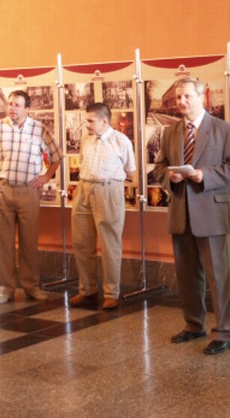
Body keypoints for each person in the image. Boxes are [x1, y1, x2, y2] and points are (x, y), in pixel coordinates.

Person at [154, 77, 230, 355]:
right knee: (187, 275)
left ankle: (224, 333)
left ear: (202, 96)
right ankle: (194, 325)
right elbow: (160, 166)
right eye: (178, 97)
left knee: (218, 277)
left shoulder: (224, 129)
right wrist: (169, 176)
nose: (181, 101)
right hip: (181, 213)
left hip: (212, 212)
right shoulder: (171, 132)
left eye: (187, 96)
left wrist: (204, 175)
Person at [0, 90, 63, 304]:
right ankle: (5, 288)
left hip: (28, 191)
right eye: (10, 104)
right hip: (2, 190)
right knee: (2, 242)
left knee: (29, 241)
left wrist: (46, 177)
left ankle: (31, 286)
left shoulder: (39, 129)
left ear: (27, 108)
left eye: (17, 105)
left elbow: (57, 156)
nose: (12, 108)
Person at [68, 102, 136, 310]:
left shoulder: (121, 141)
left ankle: (111, 294)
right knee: (81, 242)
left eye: (90, 121)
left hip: (108, 190)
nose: (87, 125)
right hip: (83, 189)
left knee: (109, 244)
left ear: (104, 121)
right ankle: (87, 291)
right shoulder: (86, 140)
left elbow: (131, 172)